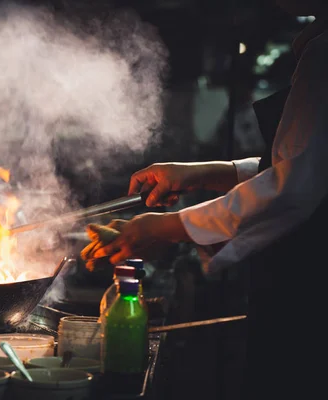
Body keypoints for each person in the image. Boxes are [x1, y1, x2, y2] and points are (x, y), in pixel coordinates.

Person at [89, 2, 328, 399]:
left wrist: (163, 228)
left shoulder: (324, 54)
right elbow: (302, 165)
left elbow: (293, 187)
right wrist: (199, 172)